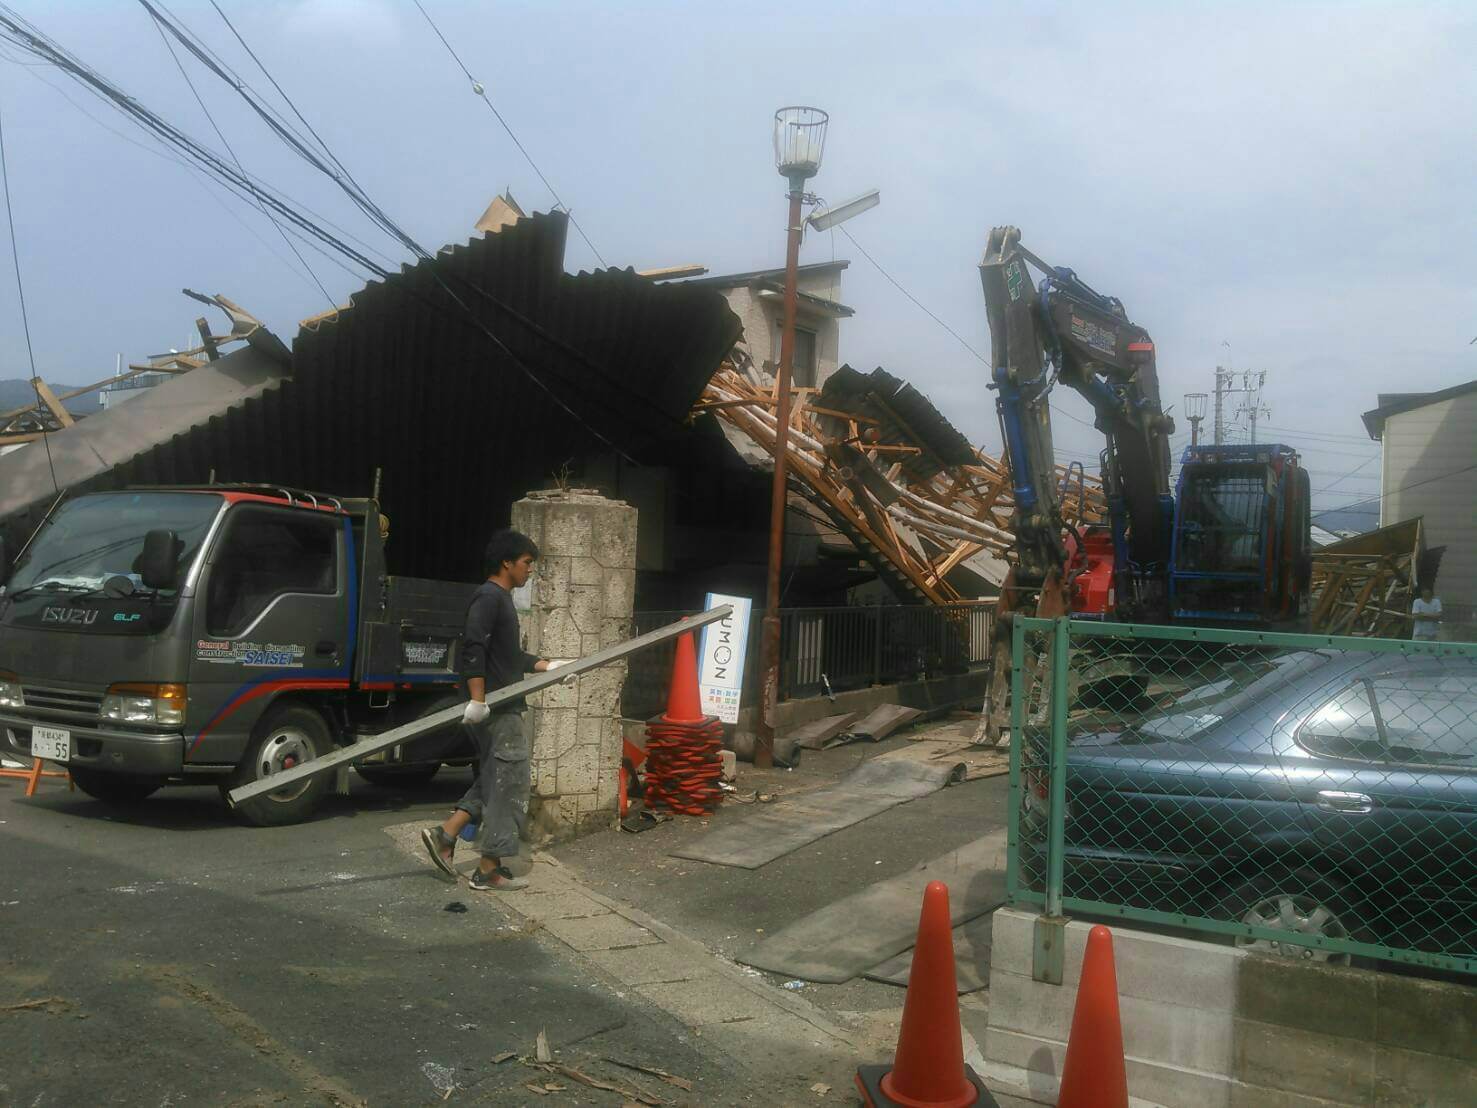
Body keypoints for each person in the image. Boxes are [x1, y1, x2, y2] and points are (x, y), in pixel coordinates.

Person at [420, 529, 570, 890]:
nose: (530, 570)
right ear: (507, 563)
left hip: (499, 704)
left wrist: (548, 666)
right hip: (497, 709)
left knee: (495, 776)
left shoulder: (502, 600)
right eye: (526, 563)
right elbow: (474, 646)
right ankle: (488, 869)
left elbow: (509, 656)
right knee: (511, 783)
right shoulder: (490, 597)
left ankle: (446, 834)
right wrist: (477, 697)